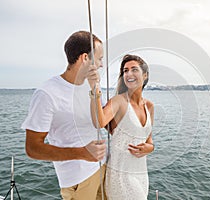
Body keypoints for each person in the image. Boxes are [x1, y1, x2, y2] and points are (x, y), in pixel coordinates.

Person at [22, 31, 107, 200]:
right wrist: (82, 153)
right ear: (85, 58)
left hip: (102, 169)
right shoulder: (47, 93)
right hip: (78, 180)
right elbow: (32, 148)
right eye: (99, 58)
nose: (101, 65)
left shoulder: (92, 85)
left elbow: (101, 121)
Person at [89, 54, 155, 199]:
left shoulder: (149, 106)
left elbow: (148, 139)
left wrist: (150, 148)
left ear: (145, 75)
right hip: (121, 174)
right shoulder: (119, 101)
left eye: (134, 69)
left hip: (141, 173)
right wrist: (95, 90)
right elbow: (99, 122)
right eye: (125, 71)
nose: (129, 74)